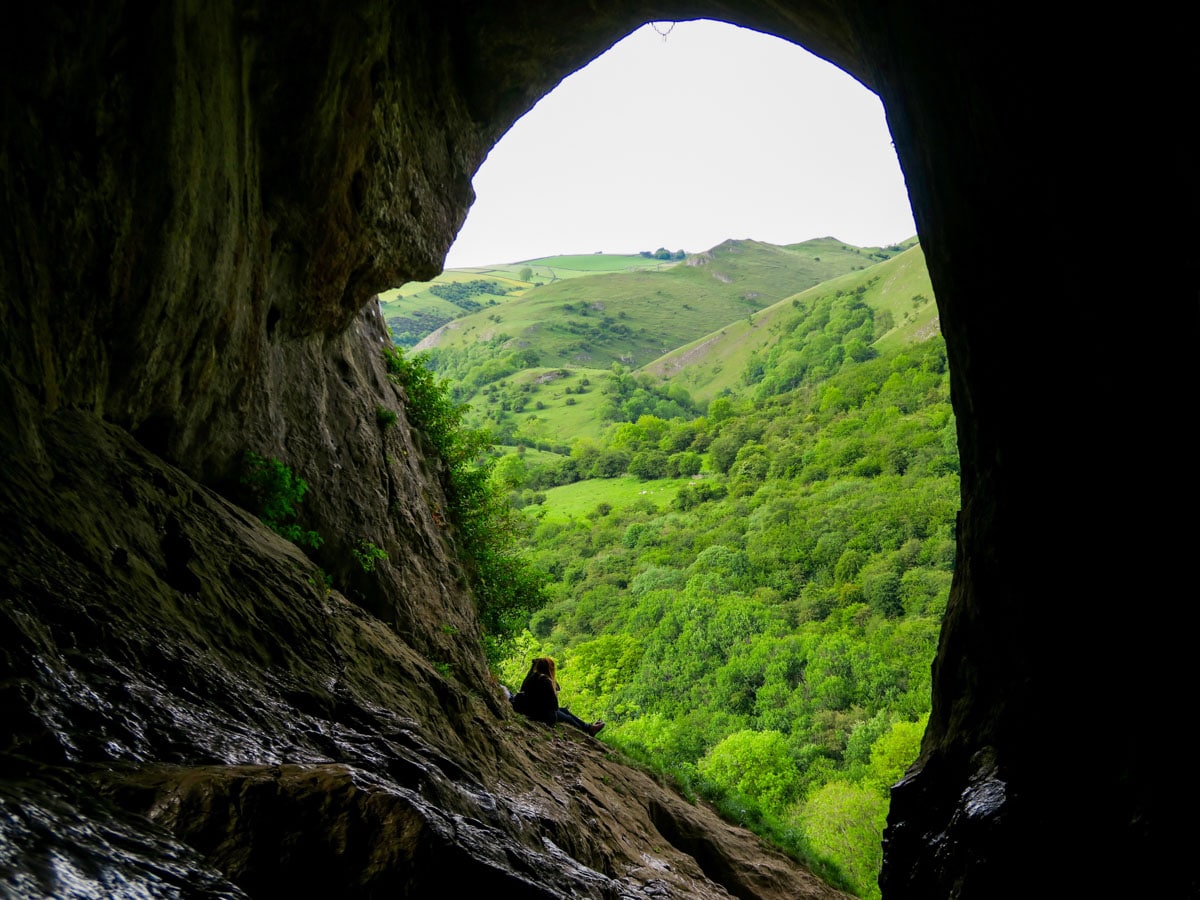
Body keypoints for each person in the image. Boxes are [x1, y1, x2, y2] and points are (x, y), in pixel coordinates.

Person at [509, 657, 605, 736]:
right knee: (567, 717)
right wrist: (554, 692)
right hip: (540, 714)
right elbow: (554, 706)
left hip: (530, 709)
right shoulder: (546, 681)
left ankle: (588, 727)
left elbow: (523, 689)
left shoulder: (532, 678)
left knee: (565, 711)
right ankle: (588, 731)